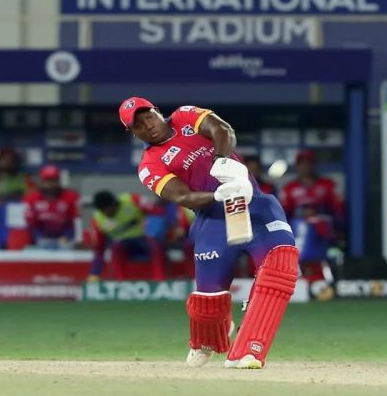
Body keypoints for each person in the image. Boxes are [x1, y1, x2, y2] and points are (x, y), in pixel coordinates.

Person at [119, 96, 299, 369]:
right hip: (214, 219)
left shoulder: (184, 116)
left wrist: (222, 160)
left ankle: (248, 350)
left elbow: (222, 130)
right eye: (139, 126)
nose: (149, 126)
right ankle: (210, 337)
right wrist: (217, 195)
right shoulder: (149, 165)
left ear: (157, 111)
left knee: (280, 265)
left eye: (149, 117)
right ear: (132, 133)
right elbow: (183, 197)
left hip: (254, 204)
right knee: (209, 304)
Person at [86, 190, 166, 281]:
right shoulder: (98, 219)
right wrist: (95, 272)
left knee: (155, 245)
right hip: (123, 247)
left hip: (143, 240)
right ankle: (121, 282)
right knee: (116, 247)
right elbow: (99, 248)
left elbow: (158, 211)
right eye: (102, 211)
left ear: (113, 204)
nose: (106, 213)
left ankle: (159, 280)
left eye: (107, 209)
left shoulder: (132, 200)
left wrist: (155, 229)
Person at [22, 165, 80, 249]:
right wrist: (39, 236)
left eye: (54, 180)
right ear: (42, 181)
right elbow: (30, 224)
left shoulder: (71, 197)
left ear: (58, 180)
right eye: (48, 180)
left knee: (66, 247)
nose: (51, 184)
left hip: (64, 238)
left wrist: (67, 236)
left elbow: (74, 221)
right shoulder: (31, 198)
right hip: (42, 238)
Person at [280, 150, 343, 225]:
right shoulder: (289, 189)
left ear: (314, 165)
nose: (306, 166)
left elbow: (338, 211)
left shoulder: (328, 185)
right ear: (297, 166)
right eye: (302, 163)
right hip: (297, 228)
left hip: (323, 228)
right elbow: (283, 215)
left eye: (309, 163)